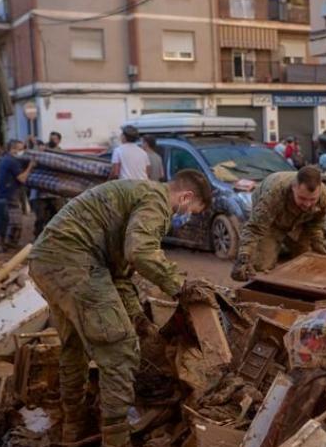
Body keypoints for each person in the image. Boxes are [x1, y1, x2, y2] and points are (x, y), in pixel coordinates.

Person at [28, 170, 212, 446]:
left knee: (74, 347)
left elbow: (118, 271)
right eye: (191, 211)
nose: (185, 216)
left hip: (49, 260)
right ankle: (116, 440)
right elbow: (139, 252)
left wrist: (136, 315)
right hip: (74, 262)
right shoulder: (158, 201)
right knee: (119, 348)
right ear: (185, 197)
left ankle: (72, 429)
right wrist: (179, 286)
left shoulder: (137, 193)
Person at [231, 165, 326, 281]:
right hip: (271, 221)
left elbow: (316, 224)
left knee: (305, 258)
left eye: (312, 200)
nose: (307, 204)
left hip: (299, 222)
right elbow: (254, 228)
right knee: (261, 263)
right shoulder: (274, 193)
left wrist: (317, 242)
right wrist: (244, 256)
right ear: (293, 188)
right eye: (302, 198)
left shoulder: (324, 196)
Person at [0, 140, 35, 251]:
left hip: (5, 193)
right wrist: (30, 167)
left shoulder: (5, 159)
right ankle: (10, 244)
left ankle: (4, 244)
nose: (22, 151)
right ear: (13, 149)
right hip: (10, 194)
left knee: (6, 221)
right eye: (21, 149)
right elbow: (22, 178)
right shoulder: (12, 161)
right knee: (16, 222)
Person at [29, 138, 64, 238]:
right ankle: (37, 239)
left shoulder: (54, 158)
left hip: (54, 194)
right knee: (40, 218)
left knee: (55, 217)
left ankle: (52, 239)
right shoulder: (33, 160)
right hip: (39, 195)